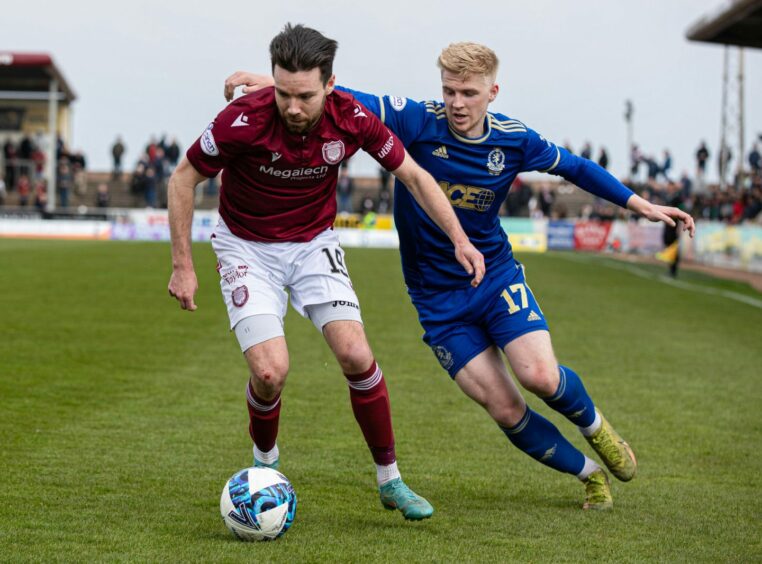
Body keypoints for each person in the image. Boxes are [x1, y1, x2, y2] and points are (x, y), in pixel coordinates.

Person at [226, 41, 696, 511]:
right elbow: (341, 95)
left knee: (539, 376)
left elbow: (575, 168)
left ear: (493, 91)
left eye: (469, 92)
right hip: (436, 300)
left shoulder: (513, 140)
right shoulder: (416, 120)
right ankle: (589, 476)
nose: (457, 103)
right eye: (449, 91)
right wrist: (275, 84)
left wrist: (639, 204)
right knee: (505, 407)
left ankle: (596, 429)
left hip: (494, 278)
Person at [168, 24, 485, 522]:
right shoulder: (242, 120)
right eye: (283, 93)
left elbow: (415, 177)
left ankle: (391, 481)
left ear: (330, 84)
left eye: (305, 96)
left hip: (314, 244)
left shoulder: (351, 118)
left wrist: (460, 239)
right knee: (270, 373)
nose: (293, 107)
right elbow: (183, 178)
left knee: (357, 354)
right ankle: (265, 470)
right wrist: (183, 265)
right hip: (246, 247)